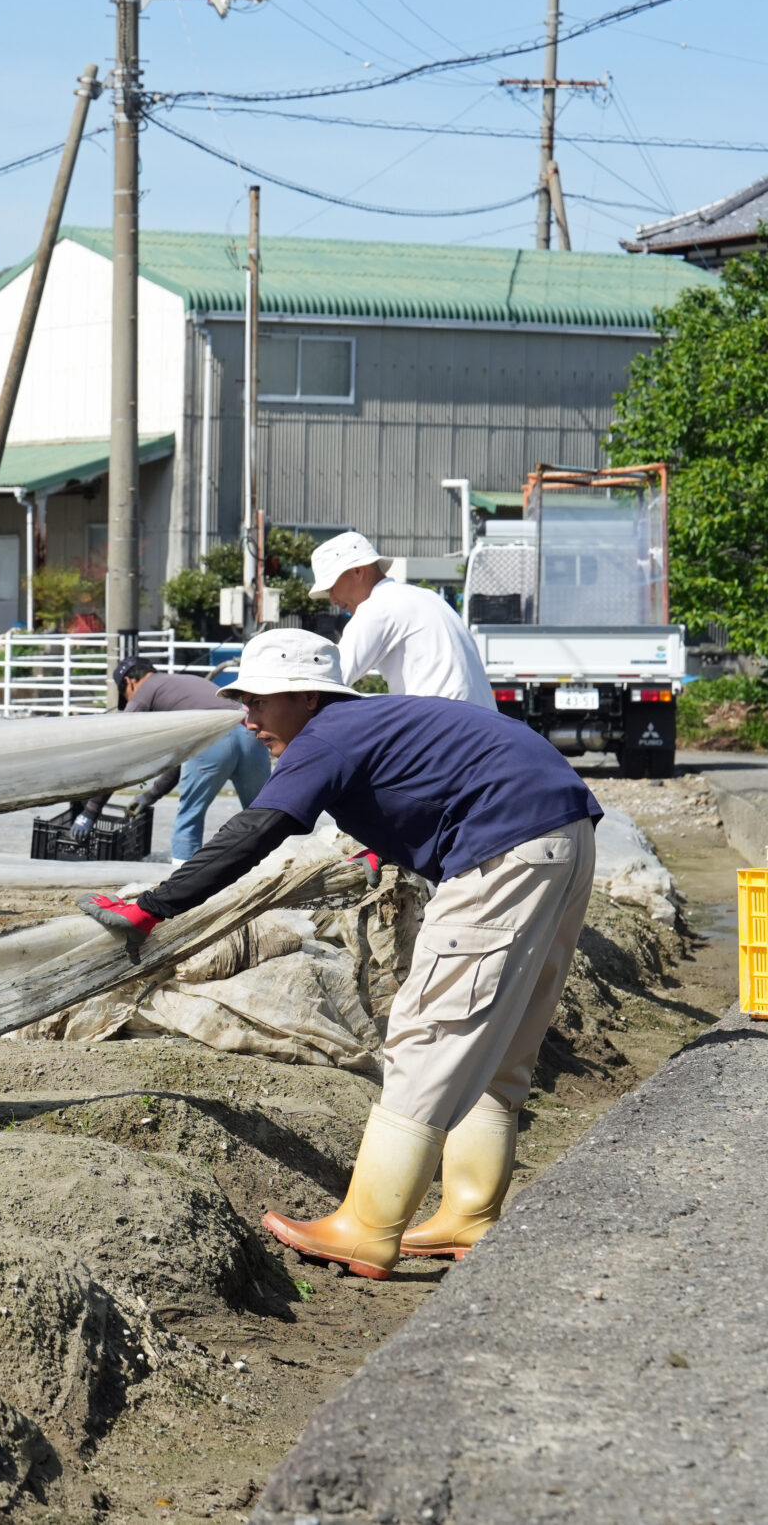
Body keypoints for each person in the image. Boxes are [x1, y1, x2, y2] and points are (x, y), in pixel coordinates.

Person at [77, 629, 600, 1276]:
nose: (249, 718)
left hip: (506, 849)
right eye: (244, 702)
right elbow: (434, 782)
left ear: (306, 696)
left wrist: (154, 904)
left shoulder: (325, 734)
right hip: (564, 835)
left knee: (428, 1033)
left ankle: (368, 1228)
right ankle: (469, 1213)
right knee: (501, 1040)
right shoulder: (371, 722)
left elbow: (258, 829)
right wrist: (385, 845)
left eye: (259, 701)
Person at [308, 530, 494, 706]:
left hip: (447, 724)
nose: (332, 600)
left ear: (357, 571)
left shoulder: (378, 606)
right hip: (486, 722)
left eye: (331, 588)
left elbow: (329, 679)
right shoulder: (427, 597)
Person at [116, 657, 272, 861]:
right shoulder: (184, 684)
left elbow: (118, 751)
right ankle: (274, 868)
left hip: (212, 738)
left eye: (126, 697)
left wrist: (89, 812)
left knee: (190, 818)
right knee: (262, 815)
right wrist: (149, 796)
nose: (130, 701)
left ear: (129, 682)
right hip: (249, 733)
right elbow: (179, 763)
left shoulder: (145, 690)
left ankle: (182, 876)